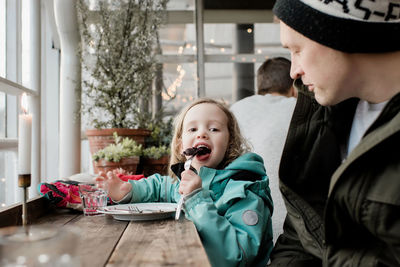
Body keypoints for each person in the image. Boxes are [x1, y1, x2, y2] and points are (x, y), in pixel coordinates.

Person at [269, 0, 400, 266]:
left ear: (339, 32)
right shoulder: (325, 116)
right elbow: (300, 237)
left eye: (297, 49)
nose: (293, 71)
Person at [99, 98, 274, 267]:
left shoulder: (245, 189)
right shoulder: (182, 182)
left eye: (214, 129)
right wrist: (128, 191)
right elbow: (158, 187)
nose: (202, 133)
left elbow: (237, 256)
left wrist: (197, 199)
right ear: (180, 146)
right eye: (192, 129)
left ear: (230, 143)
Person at [230, 57, 296, 243]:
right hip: (290, 234)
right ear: (293, 87)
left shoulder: (235, 110)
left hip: (242, 229)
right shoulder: (299, 109)